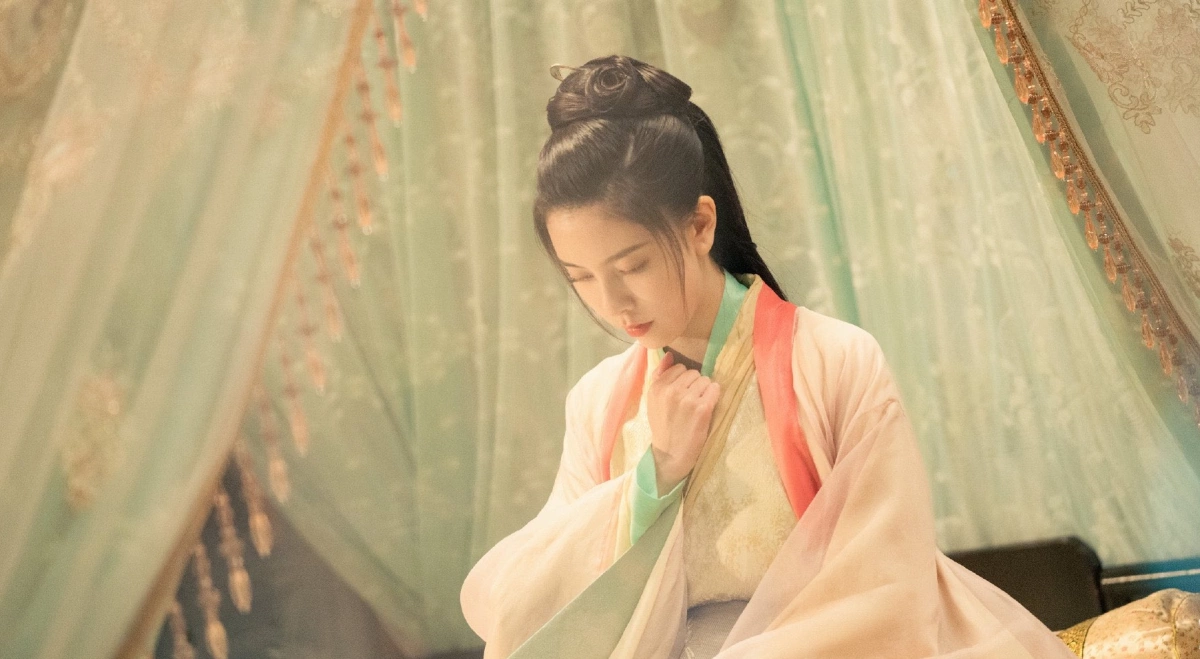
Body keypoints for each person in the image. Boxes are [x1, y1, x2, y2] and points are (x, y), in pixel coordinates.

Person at [460, 55, 1076, 659]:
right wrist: (656, 475)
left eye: (633, 265)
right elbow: (534, 598)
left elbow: (885, 585)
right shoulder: (597, 404)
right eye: (581, 278)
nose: (612, 303)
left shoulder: (834, 361)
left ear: (700, 225)